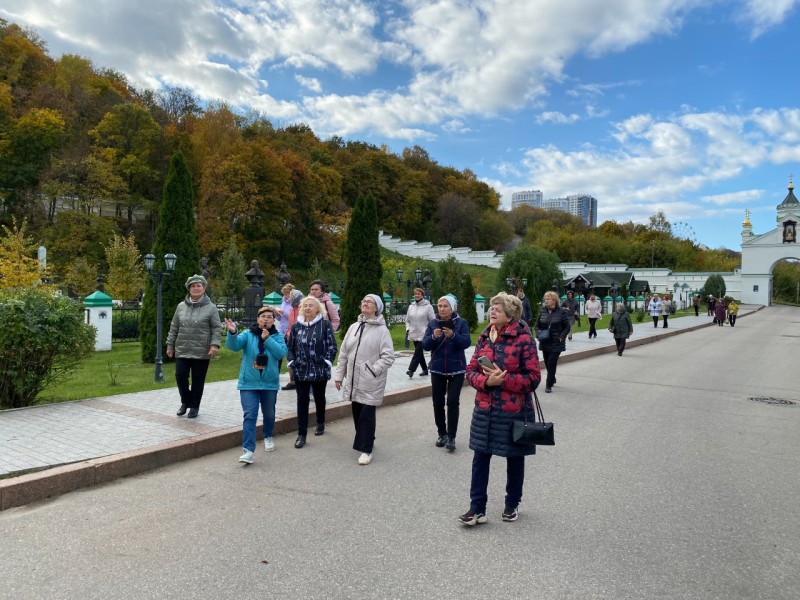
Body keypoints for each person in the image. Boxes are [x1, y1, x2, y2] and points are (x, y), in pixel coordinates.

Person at [460, 292, 541, 525]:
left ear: (510, 314)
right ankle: (476, 509)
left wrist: (503, 380)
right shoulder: (485, 336)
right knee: (480, 459)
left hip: (513, 411)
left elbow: (533, 379)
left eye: (497, 308)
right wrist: (486, 382)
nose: (492, 311)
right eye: (491, 307)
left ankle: (512, 504)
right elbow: (470, 371)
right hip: (485, 408)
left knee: (514, 458)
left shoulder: (524, 339)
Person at [334, 294, 395, 466]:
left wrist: (372, 370)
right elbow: (344, 352)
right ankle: (367, 439)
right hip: (354, 380)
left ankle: (366, 449)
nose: (365, 303)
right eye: (364, 301)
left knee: (366, 415)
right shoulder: (354, 327)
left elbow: (388, 357)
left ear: (377, 308)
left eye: (370, 302)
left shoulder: (382, 330)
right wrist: (339, 376)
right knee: (357, 413)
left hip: (371, 381)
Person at [224, 306, 287, 464]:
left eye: (270, 317)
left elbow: (281, 353)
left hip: (269, 383)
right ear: (258, 319)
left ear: (273, 321)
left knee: (269, 414)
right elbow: (234, 346)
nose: (266, 319)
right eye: (263, 316)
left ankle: (268, 435)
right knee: (250, 415)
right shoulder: (248, 334)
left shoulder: (277, 336)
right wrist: (232, 332)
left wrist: (267, 339)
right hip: (249, 383)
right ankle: (248, 450)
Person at [166, 274, 222, 418]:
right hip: (182, 349)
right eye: (193, 286)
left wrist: (214, 345)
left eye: (199, 285)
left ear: (204, 288)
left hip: (202, 351)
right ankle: (185, 402)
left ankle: (194, 406)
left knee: (198, 380)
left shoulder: (211, 308)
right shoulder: (180, 307)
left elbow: (216, 328)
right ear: (189, 289)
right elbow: (174, 327)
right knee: (180, 376)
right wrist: (170, 345)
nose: (196, 288)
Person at [287, 296, 338, 448]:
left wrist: (326, 362)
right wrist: (292, 362)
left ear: (317, 309)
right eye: (305, 305)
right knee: (301, 401)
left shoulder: (325, 324)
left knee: (319, 397)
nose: (308, 308)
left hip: (319, 370)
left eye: (311, 305)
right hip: (301, 370)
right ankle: (301, 434)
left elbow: (332, 346)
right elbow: (290, 347)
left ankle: (320, 422)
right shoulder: (296, 326)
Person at [422, 295, 472, 452]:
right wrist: (433, 337)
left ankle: (451, 437)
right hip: (437, 369)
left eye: (445, 306)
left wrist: (453, 335)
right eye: (440, 306)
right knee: (437, 402)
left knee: (452, 401)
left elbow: (466, 342)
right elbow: (425, 345)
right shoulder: (432, 324)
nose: (442, 309)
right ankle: (441, 433)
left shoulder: (461, 323)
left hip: (456, 368)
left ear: (452, 308)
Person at [535, 290, 571, 393]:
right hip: (545, 341)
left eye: (548, 299)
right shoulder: (542, 311)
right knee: (547, 362)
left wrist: (561, 337)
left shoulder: (561, 312)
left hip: (556, 342)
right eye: (545, 299)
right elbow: (537, 325)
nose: (546, 301)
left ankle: (548, 385)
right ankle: (552, 377)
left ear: (554, 300)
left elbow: (567, 327)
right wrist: (538, 334)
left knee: (551, 363)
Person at [405, 287, 435, 378]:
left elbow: (432, 320)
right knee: (419, 353)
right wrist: (408, 328)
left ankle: (411, 370)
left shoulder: (428, 306)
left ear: (422, 295)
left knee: (418, 351)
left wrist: (429, 331)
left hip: (424, 333)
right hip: (413, 332)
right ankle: (425, 370)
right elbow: (407, 320)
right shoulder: (411, 306)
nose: (416, 295)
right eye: (415, 294)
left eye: (419, 294)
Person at [281, 289, 304, 391]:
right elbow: (290, 324)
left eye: (291, 296)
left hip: (300, 339)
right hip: (289, 337)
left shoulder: (302, 309)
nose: (289, 298)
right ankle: (292, 381)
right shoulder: (292, 309)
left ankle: (301, 381)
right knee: (290, 359)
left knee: (299, 360)